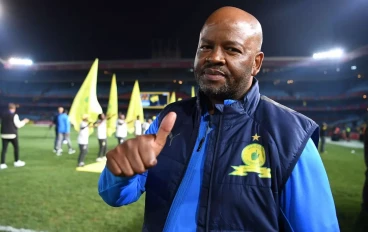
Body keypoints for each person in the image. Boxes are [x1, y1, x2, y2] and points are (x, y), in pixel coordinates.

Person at [98, 6, 339, 231]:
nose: (214, 57)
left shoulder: (290, 135)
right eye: (206, 47)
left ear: (256, 63)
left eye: (232, 49)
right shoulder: (169, 119)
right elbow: (115, 196)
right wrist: (119, 172)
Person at [0, 103, 29, 169]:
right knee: (16, 148)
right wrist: (24, 121)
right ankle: (16, 161)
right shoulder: (14, 115)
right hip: (12, 134)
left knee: (4, 149)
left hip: (4, 134)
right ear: (14, 109)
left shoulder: (3, 115)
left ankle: (2, 163)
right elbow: (18, 125)